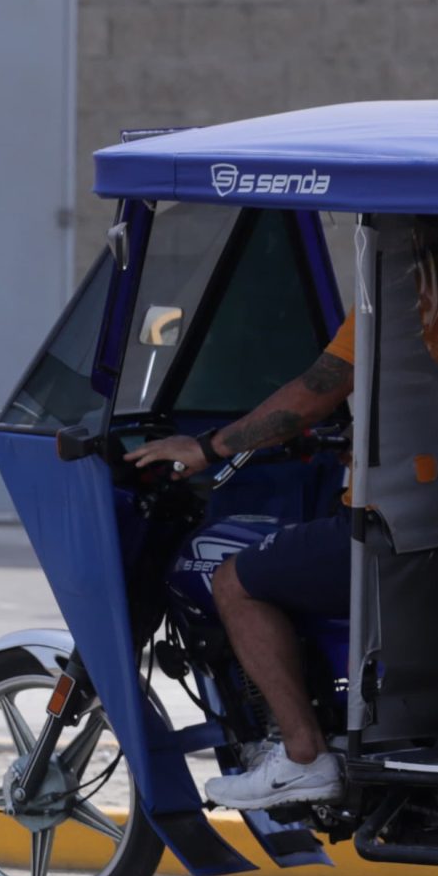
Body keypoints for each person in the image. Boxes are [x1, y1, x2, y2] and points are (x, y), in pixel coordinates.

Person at [126, 313, 355, 808]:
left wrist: (207, 446)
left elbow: (315, 391)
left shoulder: (391, 301)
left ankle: (301, 755)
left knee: (234, 578)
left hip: (384, 524)